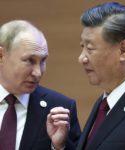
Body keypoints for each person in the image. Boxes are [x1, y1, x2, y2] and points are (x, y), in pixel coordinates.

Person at [76, 2, 125, 150]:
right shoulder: (105, 102)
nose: (81, 58)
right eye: (82, 47)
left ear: (123, 50)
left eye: (90, 48)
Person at [0, 20, 81, 150]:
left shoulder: (60, 109)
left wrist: (59, 146)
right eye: (29, 61)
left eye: (43, 61)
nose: (38, 73)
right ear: (1, 56)